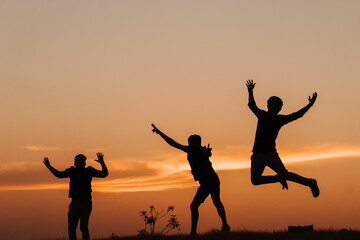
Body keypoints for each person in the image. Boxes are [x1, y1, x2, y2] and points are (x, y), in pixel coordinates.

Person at [151, 124, 230, 235]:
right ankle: (193, 232)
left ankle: (225, 224)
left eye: (194, 143)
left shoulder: (202, 150)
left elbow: (208, 153)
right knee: (193, 206)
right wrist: (159, 133)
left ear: (199, 143)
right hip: (204, 183)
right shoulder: (188, 150)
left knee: (216, 201)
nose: (192, 145)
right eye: (190, 143)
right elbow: (172, 143)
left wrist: (208, 153)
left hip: (212, 180)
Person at [246, 79, 319, 197]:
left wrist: (310, 104)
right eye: (275, 108)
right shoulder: (262, 115)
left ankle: (310, 182)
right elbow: (251, 105)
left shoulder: (279, 120)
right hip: (257, 155)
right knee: (255, 181)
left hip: (271, 155)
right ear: (269, 106)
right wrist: (250, 91)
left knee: (286, 174)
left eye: (279, 108)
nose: (277, 110)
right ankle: (278, 178)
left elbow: (298, 115)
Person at [43, 152, 109, 240]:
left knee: (83, 227)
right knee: (72, 227)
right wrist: (49, 166)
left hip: (85, 202)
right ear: (75, 163)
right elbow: (59, 174)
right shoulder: (72, 171)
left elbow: (104, 174)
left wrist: (102, 162)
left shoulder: (88, 171)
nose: (80, 163)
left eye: (82, 161)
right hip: (75, 202)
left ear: (84, 163)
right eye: (78, 161)